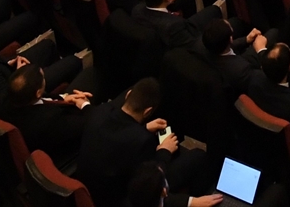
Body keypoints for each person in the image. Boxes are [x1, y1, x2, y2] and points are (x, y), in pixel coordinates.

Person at [75, 77, 210, 207]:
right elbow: (148, 183)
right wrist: (164, 151)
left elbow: (115, 132)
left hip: (86, 190)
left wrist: (142, 128)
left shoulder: (99, 111)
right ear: (148, 111)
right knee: (197, 155)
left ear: (128, 95)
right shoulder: (143, 141)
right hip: (119, 199)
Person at [0, 12, 84, 104]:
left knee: (47, 46)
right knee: (73, 61)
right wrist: (21, 74)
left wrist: (10, 63)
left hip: (9, 70)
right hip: (24, 88)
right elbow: (13, 99)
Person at [4, 64, 94, 161]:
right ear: (38, 93)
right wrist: (85, 104)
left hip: (59, 113)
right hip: (74, 142)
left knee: (89, 73)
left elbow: (44, 98)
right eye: (43, 78)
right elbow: (90, 123)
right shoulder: (50, 121)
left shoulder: (12, 100)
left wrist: (63, 98)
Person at [133, 0, 224, 50]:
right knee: (214, 10)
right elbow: (192, 45)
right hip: (185, 35)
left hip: (162, 24)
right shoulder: (174, 26)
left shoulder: (137, 10)